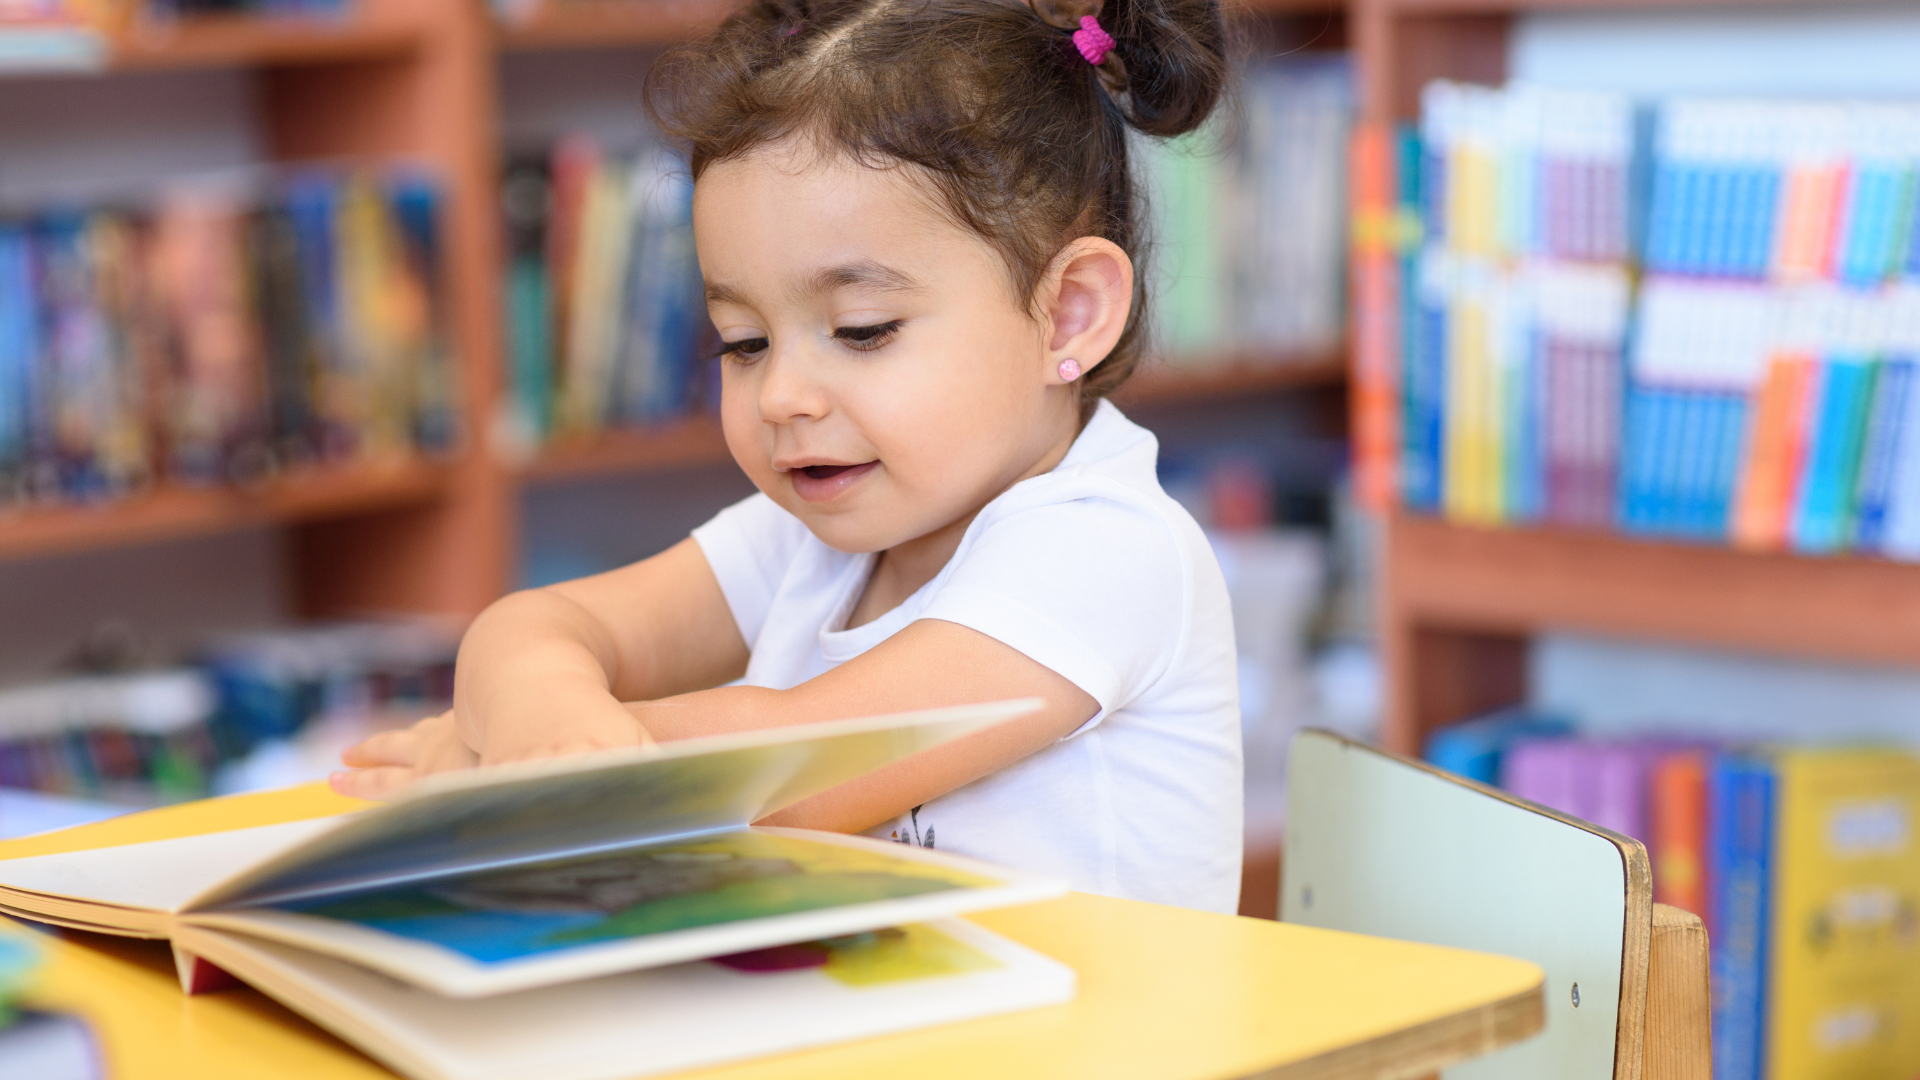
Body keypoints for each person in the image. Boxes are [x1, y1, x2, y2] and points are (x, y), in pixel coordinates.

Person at [332, 0, 1243, 912]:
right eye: (743, 342)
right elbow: (542, 626)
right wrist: (538, 723)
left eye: (862, 330)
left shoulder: (1108, 552)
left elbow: (785, 774)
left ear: (1069, 312)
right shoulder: (810, 535)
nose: (781, 397)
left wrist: (520, 768)